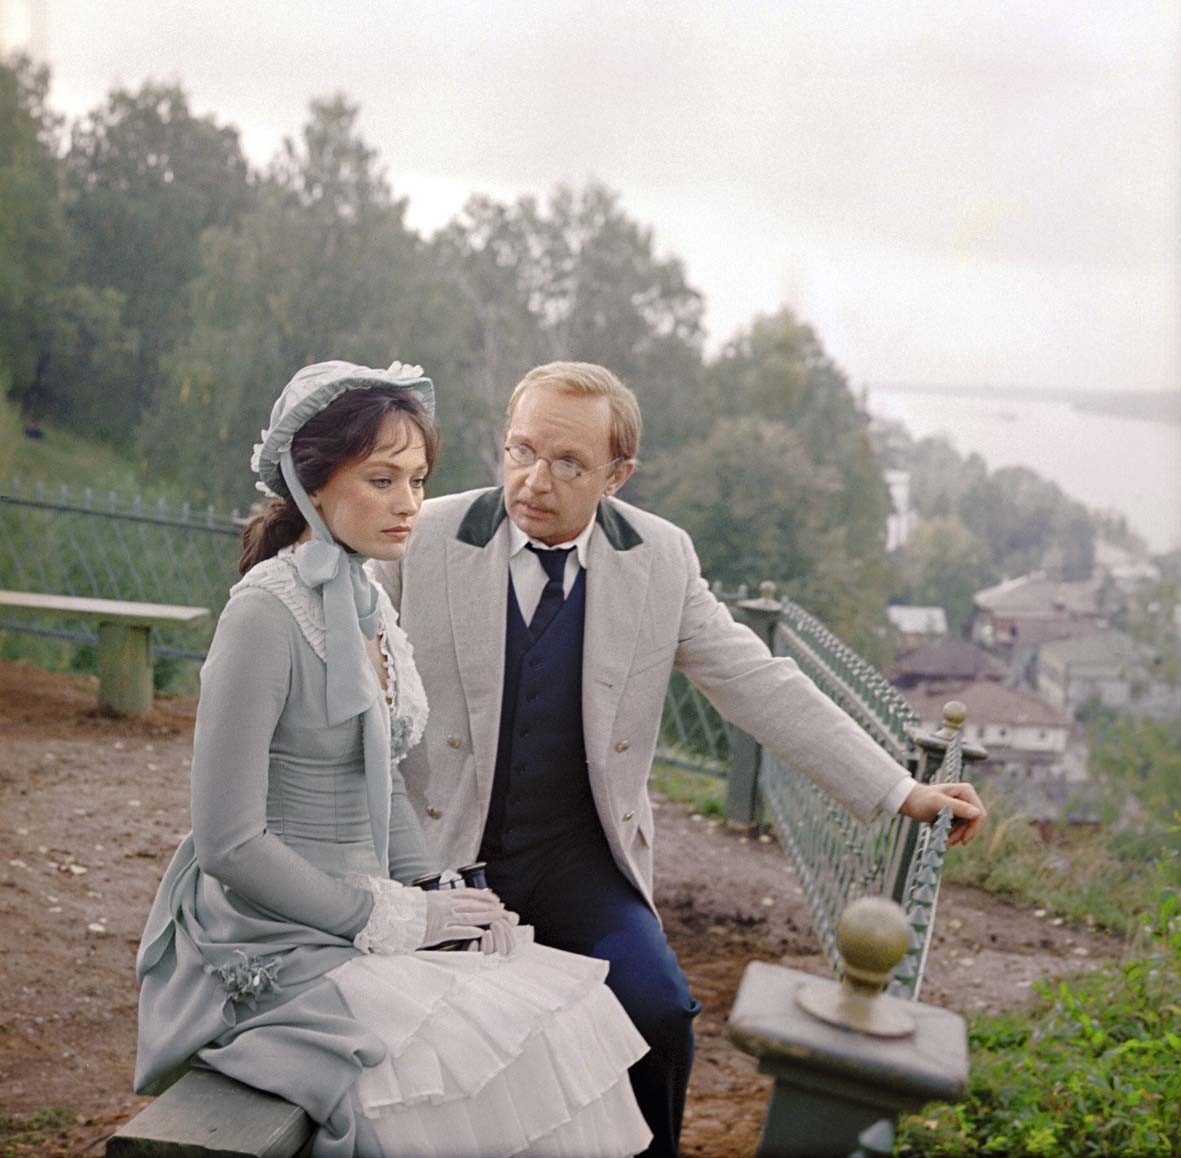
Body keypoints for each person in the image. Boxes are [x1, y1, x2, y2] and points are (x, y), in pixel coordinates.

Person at [369, 360, 987, 1157]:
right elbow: (355, 706)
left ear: (617, 475)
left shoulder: (659, 559)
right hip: (437, 857)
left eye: (569, 463)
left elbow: (757, 681)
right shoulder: (420, 538)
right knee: (444, 1050)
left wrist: (900, 790)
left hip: (580, 863)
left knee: (658, 1013)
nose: (534, 480)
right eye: (521, 450)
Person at [134, 360, 654, 1157]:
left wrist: (440, 898)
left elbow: (379, 779)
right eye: (382, 480)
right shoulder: (263, 615)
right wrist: (385, 917)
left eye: (417, 479)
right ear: (311, 483)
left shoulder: (366, 597)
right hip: (268, 930)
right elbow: (228, 843)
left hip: (361, 909)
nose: (409, 503)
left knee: (556, 1019)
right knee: (463, 1059)